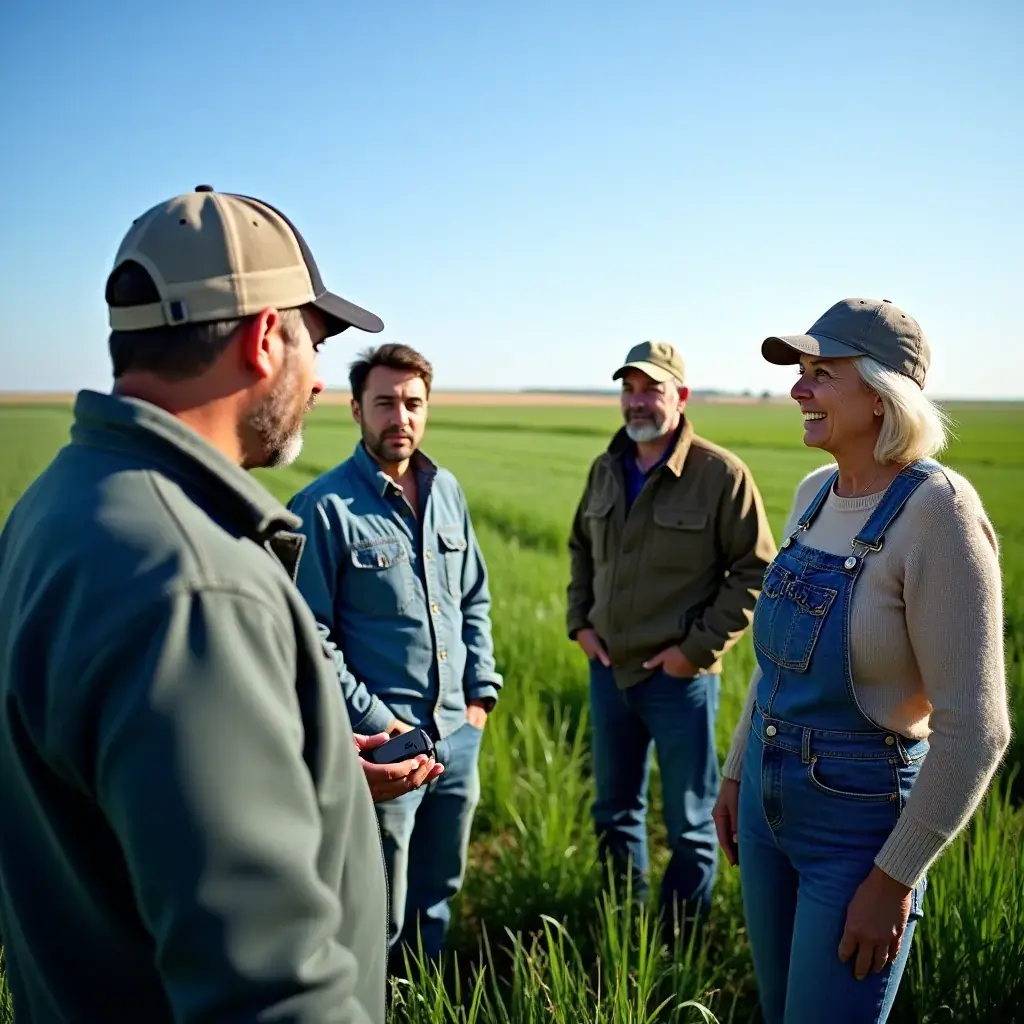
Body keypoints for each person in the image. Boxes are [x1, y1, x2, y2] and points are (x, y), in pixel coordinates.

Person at [0, 185, 434, 1024]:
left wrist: (295, 759)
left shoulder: (56, 503)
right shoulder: (196, 585)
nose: (317, 383)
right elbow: (269, 989)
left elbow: (126, 787)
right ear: (265, 339)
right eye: (313, 343)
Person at [713, 298, 1012, 1024]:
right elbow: (777, 665)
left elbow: (976, 730)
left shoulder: (939, 513)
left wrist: (893, 878)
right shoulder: (813, 496)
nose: (797, 390)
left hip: (857, 832)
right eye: (801, 373)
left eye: (821, 374)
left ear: (881, 396)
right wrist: (736, 771)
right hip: (764, 803)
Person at [288, 342, 502, 968]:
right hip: (383, 752)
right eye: (384, 403)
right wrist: (382, 726)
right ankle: (378, 1003)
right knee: (377, 913)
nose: (400, 417)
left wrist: (480, 696)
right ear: (356, 409)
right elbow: (311, 639)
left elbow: (473, 596)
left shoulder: (447, 491)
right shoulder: (324, 508)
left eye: (413, 403)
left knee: (438, 893)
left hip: (457, 735)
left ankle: (424, 995)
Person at [566, 340, 775, 930]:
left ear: (680, 397)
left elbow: (755, 571)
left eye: (651, 389)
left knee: (689, 821)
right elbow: (581, 548)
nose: (637, 401)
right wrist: (580, 624)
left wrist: (692, 653)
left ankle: (680, 941)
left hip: (679, 682)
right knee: (613, 809)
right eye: (628, 389)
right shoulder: (606, 469)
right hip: (610, 672)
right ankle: (622, 924)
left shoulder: (720, 475)